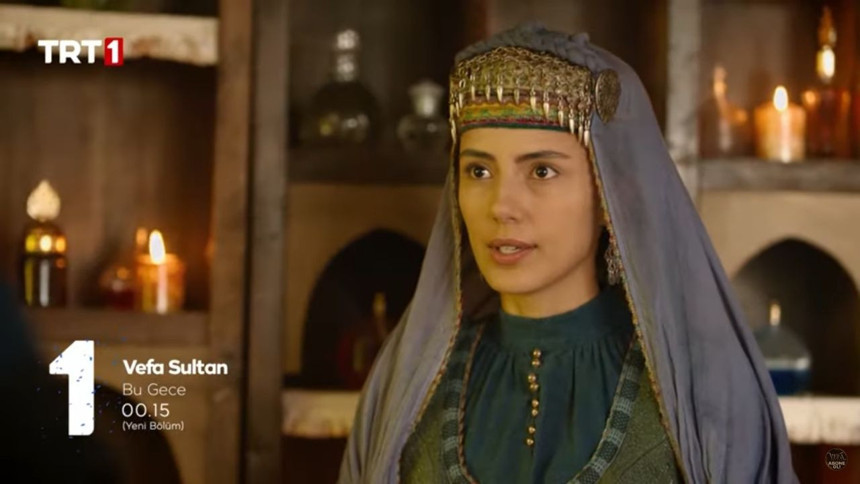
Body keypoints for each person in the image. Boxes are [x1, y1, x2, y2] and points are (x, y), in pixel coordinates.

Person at [338, 23, 797, 483]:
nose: (501, 206)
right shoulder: (411, 383)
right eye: (478, 171)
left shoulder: (700, 389)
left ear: (611, 195)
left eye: (541, 171)